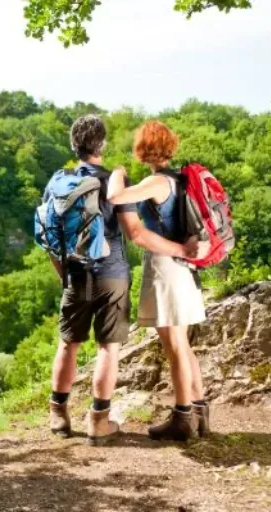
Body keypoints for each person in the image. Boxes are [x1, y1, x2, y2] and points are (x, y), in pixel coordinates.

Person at [48, 115, 199, 446]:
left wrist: (65, 273)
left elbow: (45, 232)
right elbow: (133, 231)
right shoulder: (117, 181)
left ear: (74, 146)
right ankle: (99, 421)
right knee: (108, 346)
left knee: (67, 342)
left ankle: (58, 414)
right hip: (113, 273)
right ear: (102, 146)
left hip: (75, 271)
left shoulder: (59, 182)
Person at [107, 120, 209, 442]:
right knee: (182, 343)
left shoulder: (156, 182)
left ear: (144, 148)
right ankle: (199, 411)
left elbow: (115, 197)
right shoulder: (179, 180)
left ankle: (182, 417)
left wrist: (116, 174)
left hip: (166, 268)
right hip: (183, 268)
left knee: (174, 345)